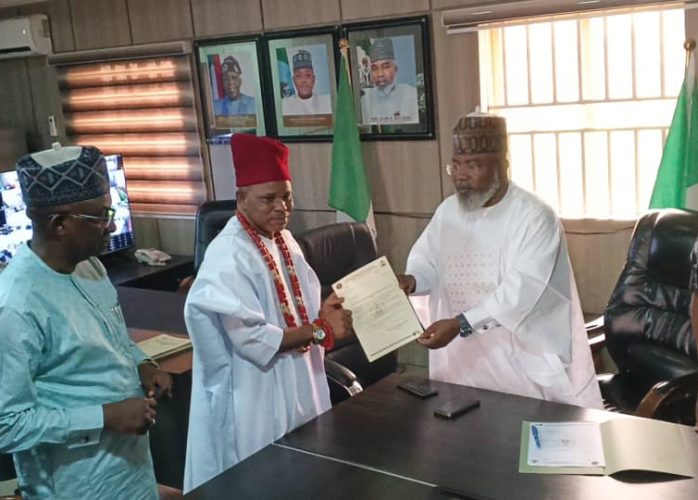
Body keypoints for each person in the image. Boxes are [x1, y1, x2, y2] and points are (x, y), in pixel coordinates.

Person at [0, 143, 173, 498]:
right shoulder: (16, 305)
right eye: (100, 217)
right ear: (59, 224)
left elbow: (112, 339)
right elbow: (8, 425)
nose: (112, 225)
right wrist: (105, 417)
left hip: (131, 472)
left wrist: (143, 365)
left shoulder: (89, 266)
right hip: (75, 485)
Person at [183, 133, 353, 492]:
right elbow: (254, 339)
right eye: (268, 199)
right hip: (255, 393)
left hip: (299, 378)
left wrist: (326, 311)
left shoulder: (284, 240)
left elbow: (299, 310)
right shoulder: (229, 254)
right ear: (241, 198)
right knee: (265, 483)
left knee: (307, 476)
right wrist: (320, 329)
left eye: (287, 196)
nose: (281, 207)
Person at [399, 111, 603, 409]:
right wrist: (413, 280)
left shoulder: (534, 216)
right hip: (460, 358)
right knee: (458, 431)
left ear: (502, 166)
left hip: (520, 361)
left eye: (473, 165)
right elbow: (428, 262)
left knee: (518, 431)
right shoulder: (448, 211)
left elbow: (519, 292)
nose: (461, 175)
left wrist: (460, 324)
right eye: (455, 165)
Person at [360, 37, 419, 125]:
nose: (380, 74)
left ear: (395, 69)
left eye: (385, 67)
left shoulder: (411, 94)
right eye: (374, 68)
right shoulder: (365, 100)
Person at [281, 49, 331, 116]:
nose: (303, 80)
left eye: (308, 75)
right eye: (298, 76)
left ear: (313, 79)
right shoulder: (284, 105)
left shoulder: (327, 102)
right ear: (294, 80)